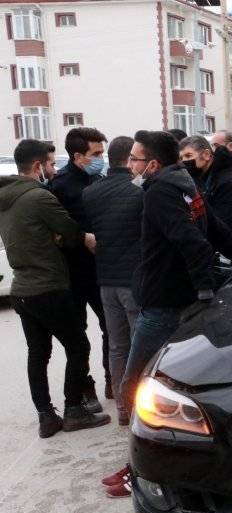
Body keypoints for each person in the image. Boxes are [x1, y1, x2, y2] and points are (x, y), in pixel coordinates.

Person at [121, 131, 232, 441]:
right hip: (179, 295)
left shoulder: (160, 192)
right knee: (178, 381)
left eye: (135, 159)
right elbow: (216, 228)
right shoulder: (186, 184)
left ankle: (139, 456)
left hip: (164, 302)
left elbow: (195, 242)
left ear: (153, 164)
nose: (130, 164)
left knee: (134, 384)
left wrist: (204, 290)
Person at [0, 139, 110, 437]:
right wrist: (79, 238)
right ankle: (74, 409)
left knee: (38, 353)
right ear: (37, 166)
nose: (53, 169)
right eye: (50, 164)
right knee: (78, 346)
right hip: (48, 287)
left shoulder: (5, 198)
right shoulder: (39, 197)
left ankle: (46, 417)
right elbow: (72, 233)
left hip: (21, 288)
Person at [83, 136, 143, 427]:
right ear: (130, 159)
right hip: (134, 281)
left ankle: (122, 408)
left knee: (117, 346)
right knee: (139, 345)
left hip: (106, 280)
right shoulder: (139, 192)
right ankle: (139, 408)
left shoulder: (92, 193)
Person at [51, 126, 109, 408]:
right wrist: (79, 237)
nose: (101, 158)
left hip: (103, 270)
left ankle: (114, 379)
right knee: (78, 336)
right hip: (73, 272)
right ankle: (86, 389)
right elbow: (54, 228)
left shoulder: (99, 178)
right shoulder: (59, 186)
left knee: (111, 327)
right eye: (96, 153)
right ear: (78, 156)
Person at [180, 136, 232, 243]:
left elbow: (221, 227)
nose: (184, 161)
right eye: (181, 158)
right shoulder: (205, 178)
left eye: (188, 156)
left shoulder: (231, 180)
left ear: (206, 154)